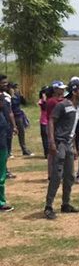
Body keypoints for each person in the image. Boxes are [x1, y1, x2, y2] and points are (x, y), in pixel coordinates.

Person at [45, 79, 79, 220]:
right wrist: (51, 142)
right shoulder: (63, 105)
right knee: (57, 176)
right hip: (59, 143)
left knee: (70, 176)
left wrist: (74, 147)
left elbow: (72, 130)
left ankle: (66, 203)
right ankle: (48, 206)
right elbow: (51, 121)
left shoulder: (78, 109)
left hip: (69, 144)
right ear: (74, 92)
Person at [0, 74, 14, 212]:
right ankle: (1, 202)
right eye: (3, 83)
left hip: (3, 139)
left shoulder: (4, 98)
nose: (5, 85)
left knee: (2, 172)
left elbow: (9, 113)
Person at [9, 84, 31, 156]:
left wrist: (21, 96)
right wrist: (11, 96)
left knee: (21, 132)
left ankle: (24, 149)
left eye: (16, 88)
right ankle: (9, 151)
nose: (15, 89)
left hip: (18, 116)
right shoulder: (8, 97)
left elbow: (25, 103)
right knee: (10, 133)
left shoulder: (18, 95)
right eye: (14, 88)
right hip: (10, 117)